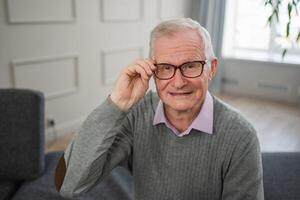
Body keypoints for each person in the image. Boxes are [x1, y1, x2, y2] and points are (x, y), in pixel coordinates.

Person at [55, 18, 264, 200]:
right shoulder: (135, 115)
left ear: (212, 68)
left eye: (191, 65)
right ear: (153, 72)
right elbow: (67, 185)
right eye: (165, 68)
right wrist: (116, 104)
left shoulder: (241, 136)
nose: (179, 82)